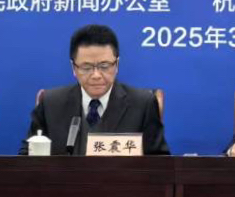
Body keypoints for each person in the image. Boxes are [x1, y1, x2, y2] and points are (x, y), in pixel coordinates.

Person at [20, 24, 170, 155]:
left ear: (117, 65)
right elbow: (26, 158)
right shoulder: (50, 103)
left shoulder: (143, 104)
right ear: (73, 68)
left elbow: (160, 163)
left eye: (104, 66)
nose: (96, 75)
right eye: (86, 67)